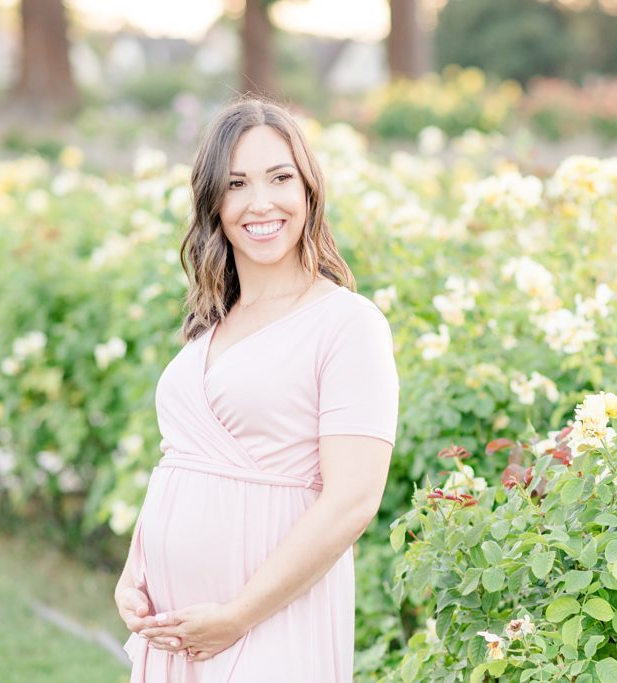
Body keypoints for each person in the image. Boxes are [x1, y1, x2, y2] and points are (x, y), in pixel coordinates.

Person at [113, 96, 399, 682]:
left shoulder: (349, 324)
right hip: (177, 629)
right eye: (237, 183)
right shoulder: (213, 319)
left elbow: (352, 500)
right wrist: (134, 570)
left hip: (268, 621)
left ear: (308, 190)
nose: (260, 202)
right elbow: (182, 461)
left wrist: (238, 616)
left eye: (279, 177)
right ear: (213, 201)